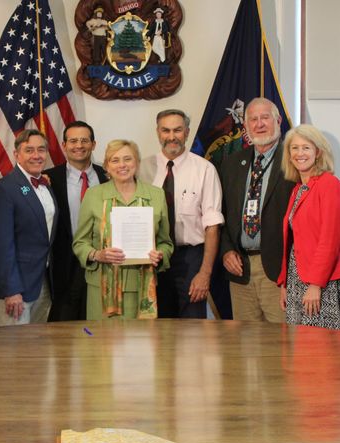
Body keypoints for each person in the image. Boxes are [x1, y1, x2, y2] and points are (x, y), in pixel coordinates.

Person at [73, 140, 173, 319]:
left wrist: (160, 254)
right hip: (101, 290)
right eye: (115, 160)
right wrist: (97, 254)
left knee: (142, 344)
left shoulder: (156, 195)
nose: (122, 165)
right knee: (104, 345)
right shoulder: (93, 195)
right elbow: (80, 243)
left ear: (137, 162)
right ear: (107, 166)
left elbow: (165, 243)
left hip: (142, 287)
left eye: (128, 159)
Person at [214, 97, 295, 322]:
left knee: (281, 345)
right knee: (246, 345)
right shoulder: (231, 163)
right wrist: (227, 250)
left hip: (278, 271)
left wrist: (291, 276)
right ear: (246, 126)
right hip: (240, 270)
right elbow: (222, 213)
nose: (259, 124)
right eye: (253, 119)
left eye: (265, 118)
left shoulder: (293, 161)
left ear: (278, 120)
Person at [277, 125, 340, 331]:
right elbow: (293, 242)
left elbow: (330, 239)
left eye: (306, 148)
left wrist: (315, 284)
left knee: (321, 349)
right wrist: (284, 283)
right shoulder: (298, 189)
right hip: (296, 279)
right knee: (300, 349)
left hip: (321, 282)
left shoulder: (329, 184)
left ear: (318, 152)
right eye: (294, 148)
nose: (299, 154)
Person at [151, 109, 223, 318]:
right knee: (158, 325)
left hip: (191, 259)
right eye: (166, 130)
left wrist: (205, 273)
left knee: (192, 327)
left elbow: (212, 225)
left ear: (187, 132)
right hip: (154, 258)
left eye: (178, 130)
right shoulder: (143, 168)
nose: (171, 136)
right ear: (158, 132)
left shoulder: (205, 169)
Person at [0, 130, 58, 327]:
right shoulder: (6, 188)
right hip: (16, 286)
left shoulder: (44, 185)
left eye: (41, 150)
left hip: (41, 281)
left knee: (35, 348)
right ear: (16, 154)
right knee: (13, 351)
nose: (36, 155)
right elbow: (1, 244)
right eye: (29, 150)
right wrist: (11, 290)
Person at [44, 121, 108, 321]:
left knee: (96, 317)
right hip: (64, 262)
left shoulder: (107, 177)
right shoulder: (49, 179)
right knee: (64, 321)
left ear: (94, 144)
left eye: (84, 140)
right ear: (64, 145)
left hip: (101, 260)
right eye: (73, 141)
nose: (78, 145)